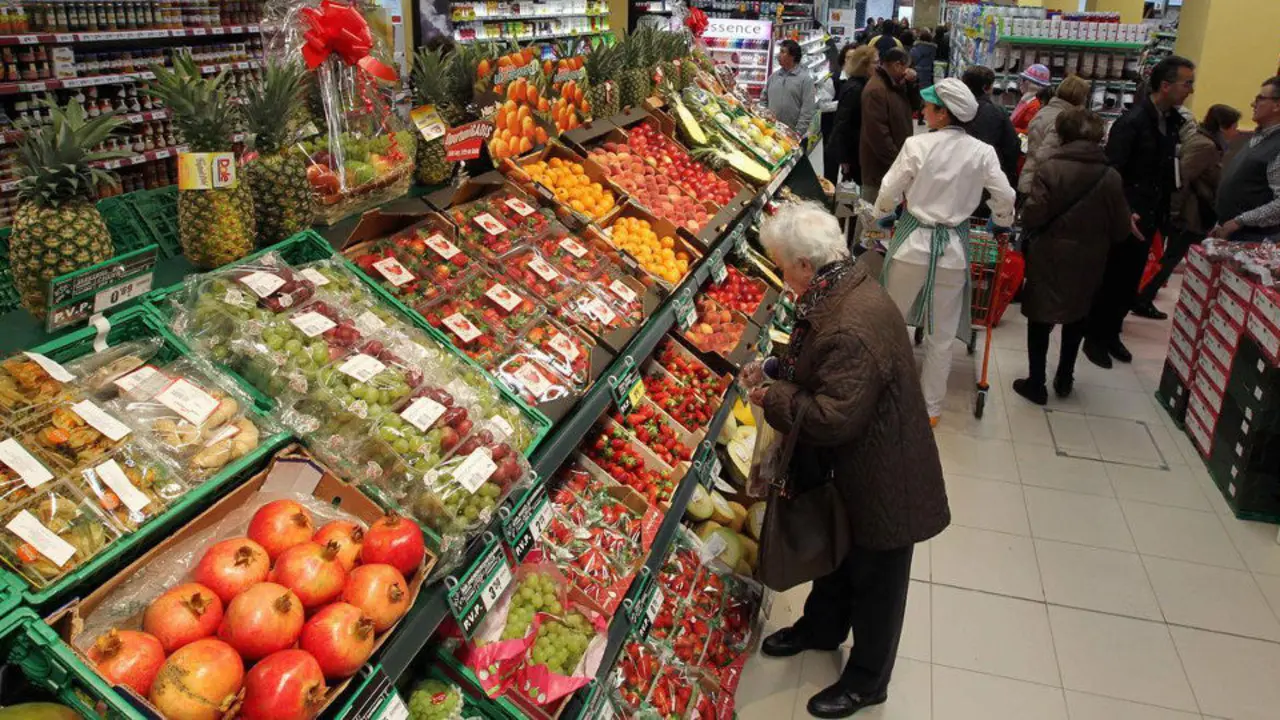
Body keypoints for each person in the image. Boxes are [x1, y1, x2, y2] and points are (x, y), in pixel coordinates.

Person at [747, 202, 949, 719]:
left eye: (783, 265)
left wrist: (771, 397)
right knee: (838, 553)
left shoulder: (847, 324)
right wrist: (777, 366)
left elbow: (831, 417)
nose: (781, 276)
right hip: (858, 469)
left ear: (806, 266)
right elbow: (821, 368)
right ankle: (822, 628)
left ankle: (866, 681)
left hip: (885, 476)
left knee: (878, 580)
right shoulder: (843, 288)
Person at [875, 79, 1016, 426]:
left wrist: (884, 212)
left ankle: (879, 397)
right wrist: (1001, 222)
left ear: (942, 113)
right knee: (941, 335)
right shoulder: (983, 152)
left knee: (890, 324)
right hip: (953, 251)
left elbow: (889, 189)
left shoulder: (916, 145)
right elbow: (1006, 197)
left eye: (928, 106)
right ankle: (931, 409)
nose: (923, 110)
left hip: (911, 246)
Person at [1014, 108, 1136, 405]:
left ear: (1064, 134)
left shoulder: (1049, 169)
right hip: (1090, 258)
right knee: (1077, 316)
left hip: (1050, 254)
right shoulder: (1111, 176)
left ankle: (1037, 382)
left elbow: (1033, 215)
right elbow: (1122, 229)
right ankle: (1065, 378)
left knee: (1041, 317)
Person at [1084, 56, 1194, 367]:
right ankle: (1095, 338)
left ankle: (1112, 333)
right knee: (1112, 278)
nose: (1190, 90)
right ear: (1165, 85)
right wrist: (1125, 210)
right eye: (1186, 83)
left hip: (1151, 214)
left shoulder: (1171, 122)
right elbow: (1112, 170)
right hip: (1125, 217)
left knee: (1131, 279)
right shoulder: (1131, 122)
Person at [1138, 104, 1240, 312]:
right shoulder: (1206, 146)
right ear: (1222, 126)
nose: (1236, 131)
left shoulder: (1208, 143)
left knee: (1180, 256)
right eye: (1234, 126)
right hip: (1189, 213)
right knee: (1172, 257)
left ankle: (1146, 297)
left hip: (1194, 212)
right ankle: (1143, 298)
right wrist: (1175, 212)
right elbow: (1182, 178)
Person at [1210, 76, 1280, 241]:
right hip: (1231, 232)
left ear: (1277, 105)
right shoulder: (1260, 137)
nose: (1252, 104)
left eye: (1260, 99)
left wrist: (1239, 221)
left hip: (1253, 240)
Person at [1019, 75, 1091, 195]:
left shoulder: (1045, 111)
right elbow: (1045, 154)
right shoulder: (1063, 119)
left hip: (1029, 177)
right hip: (1042, 185)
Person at [860, 48, 914, 203]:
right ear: (897, 65)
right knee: (874, 215)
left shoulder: (893, 85)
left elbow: (915, 105)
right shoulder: (876, 90)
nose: (907, 71)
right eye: (905, 67)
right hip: (880, 168)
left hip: (890, 165)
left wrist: (911, 84)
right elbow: (878, 135)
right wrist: (897, 163)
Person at [962, 65, 1020, 186]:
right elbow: (1011, 146)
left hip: (959, 172)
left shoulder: (952, 109)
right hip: (988, 174)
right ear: (986, 88)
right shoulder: (997, 112)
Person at [831, 46, 878, 189]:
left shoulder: (863, 84)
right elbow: (842, 123)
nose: (878, 66)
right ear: (864, 65)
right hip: (854, 151)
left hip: (858, 148)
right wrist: (844, 159)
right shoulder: (856, 89)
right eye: (875, 62)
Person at [766, 39, 817, 138]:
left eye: (783, 52)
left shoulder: (805, 80)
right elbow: (764, 99)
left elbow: (807, 109)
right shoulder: (773, 77)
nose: (778, 55)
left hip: (792, 134)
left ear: (793, 56)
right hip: (771, 130)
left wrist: (797, 133)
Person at [1011, 64, 1051, 134]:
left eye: (1023, 80)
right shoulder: (1028, 100)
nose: (1021, 83)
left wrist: (1008, 129)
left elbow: (1030, 131)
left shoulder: (1035, 105)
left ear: (1032, 84)